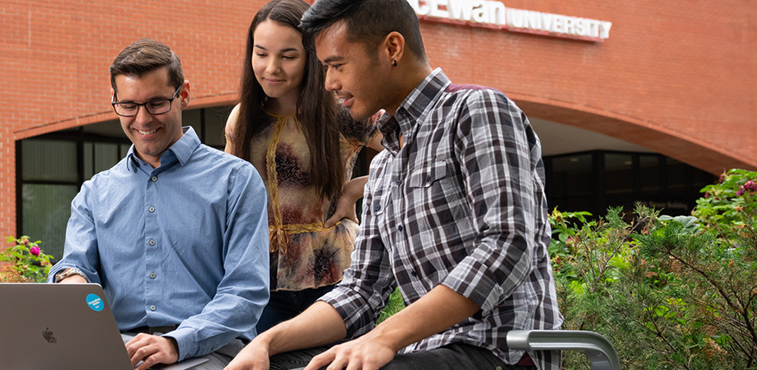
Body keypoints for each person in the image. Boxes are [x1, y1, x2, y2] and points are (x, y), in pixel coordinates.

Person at [225, 0, 562, 369]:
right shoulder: (387, 164)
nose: (329, 83)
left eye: (337, 65)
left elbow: (506, 245)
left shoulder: (476, 110)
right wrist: (266, 342)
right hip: (425, 351)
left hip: (500, 349)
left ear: (392, 49)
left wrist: (384, 336)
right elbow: (361, 291)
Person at [48, 38, 271, 370]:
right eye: (128, 105)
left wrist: (175, 343)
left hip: (208, 352)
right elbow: (74, 265)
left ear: (183, 95)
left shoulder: (235, 180)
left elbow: (245, 293)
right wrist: (72, 280)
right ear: (114, 102)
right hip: (119, 352)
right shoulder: (95, 192)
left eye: (155, 103)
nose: (142, 119)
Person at [224, 0, 383, 334]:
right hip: (261, 282)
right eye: (261, 53)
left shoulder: (344, 110)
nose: (271, 68)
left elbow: (415, 149)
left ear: (312, 55)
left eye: (288, 56)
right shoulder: (243, 118)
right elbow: (228, 198)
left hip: (336, 277)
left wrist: (356, 188)